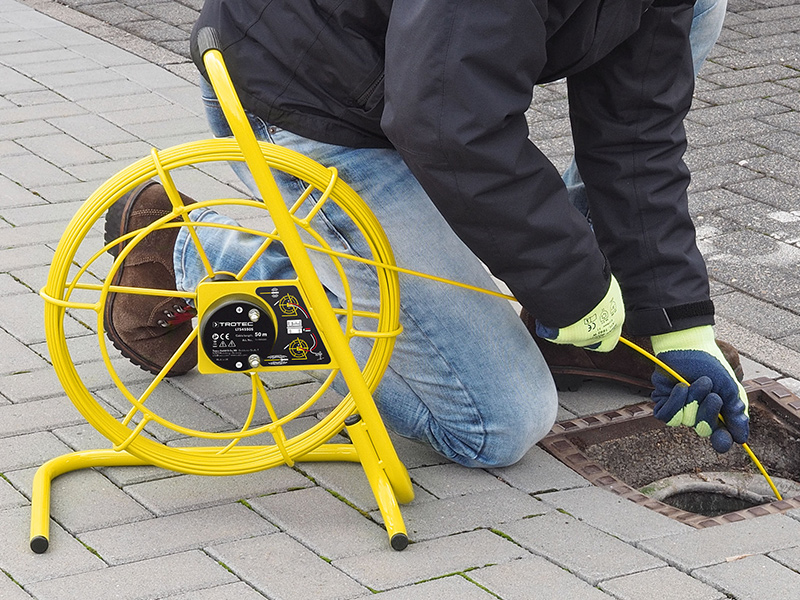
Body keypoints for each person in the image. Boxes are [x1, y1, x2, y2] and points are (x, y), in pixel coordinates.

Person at [104, 0, 748, 468]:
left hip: (412, 87)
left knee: (701, 9)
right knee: (495, 423)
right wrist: (573, 283)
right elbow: (444, 122)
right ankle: (179, 252)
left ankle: (577, 329)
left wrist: (677, 317)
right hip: (311, 98)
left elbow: (635, 133)